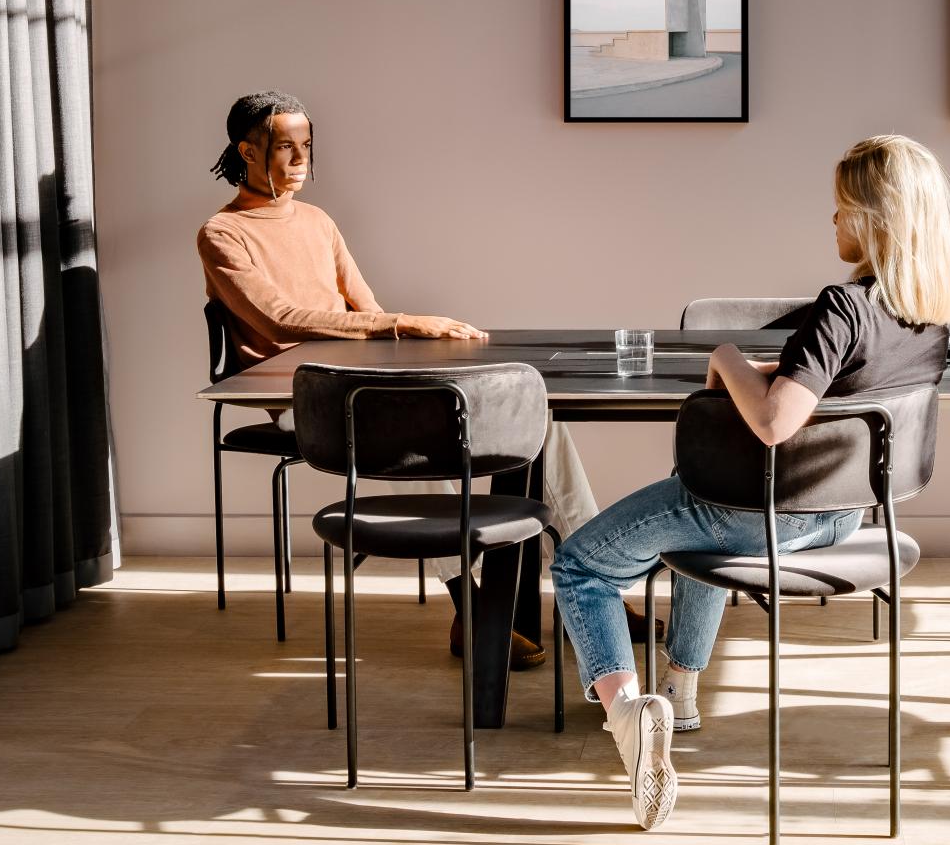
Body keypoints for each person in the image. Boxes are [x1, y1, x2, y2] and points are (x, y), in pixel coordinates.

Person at [551, 133, 950, 831]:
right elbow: (834, 392)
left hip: (764, 513)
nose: (832, 222)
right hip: (844, 512)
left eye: (840, 208)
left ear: (872, 216)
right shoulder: (928, 317)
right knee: (702, 498)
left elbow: (776, 421)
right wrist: (767, 371)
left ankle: (628, 718)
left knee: (580, 566)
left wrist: (725, 356)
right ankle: (679, 695)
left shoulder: (843, 305)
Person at [197, 89, 629, 667]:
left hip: (364, 383)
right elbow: (279, 318)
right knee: (422, 431)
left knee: (539, 420)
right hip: (304, 394)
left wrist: (406, 338)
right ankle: (469, 606)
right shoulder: (222, 235)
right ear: (248, 152)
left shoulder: (319, 222)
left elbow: (365, 309)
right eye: (284, 147)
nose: (300, 160)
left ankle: (596, 589)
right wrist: (398, 323)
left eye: (306, 146)